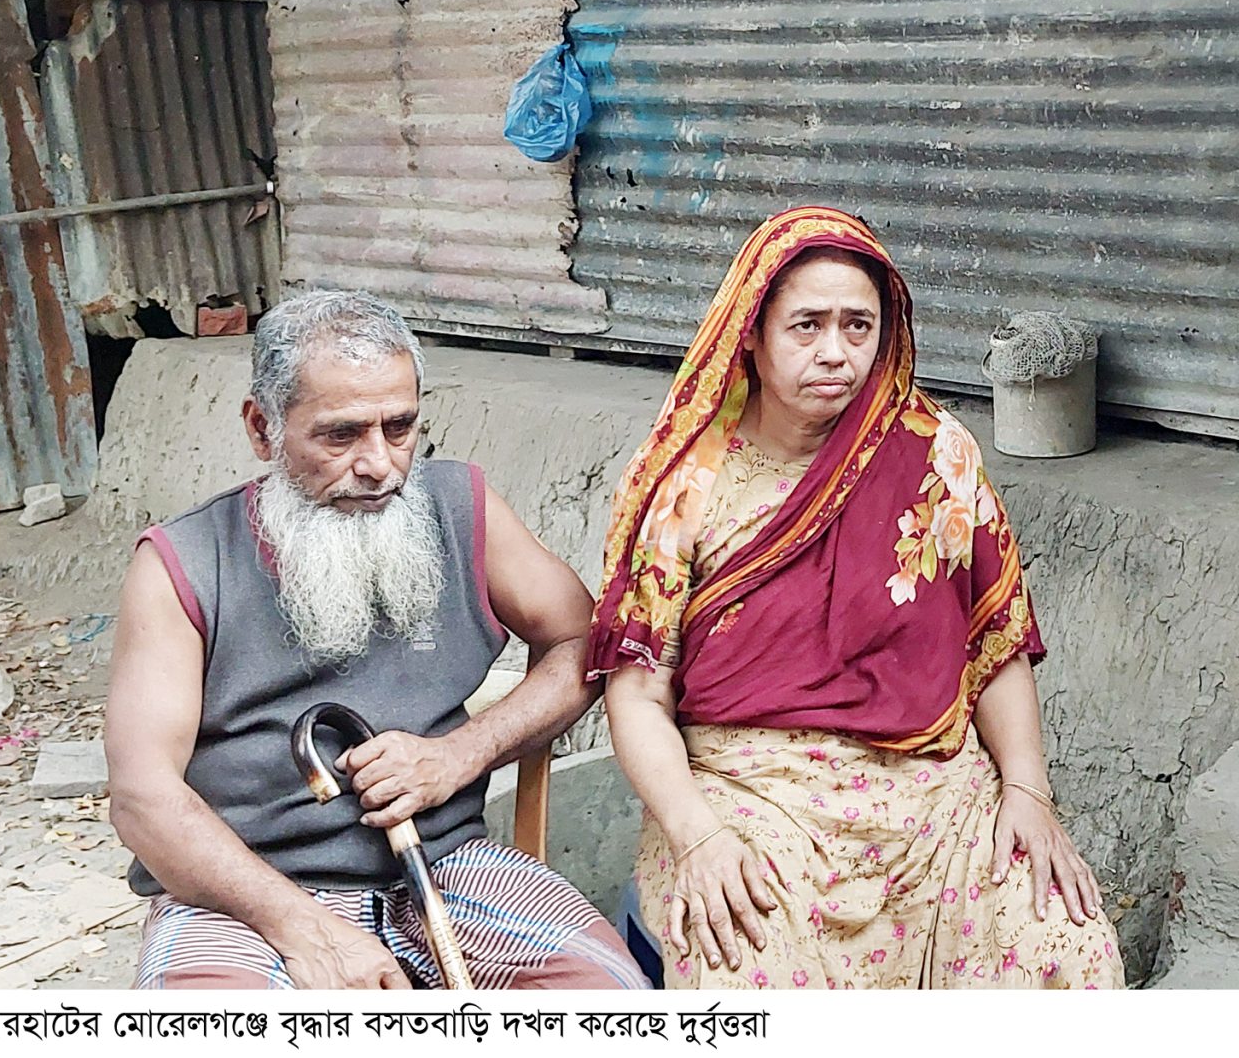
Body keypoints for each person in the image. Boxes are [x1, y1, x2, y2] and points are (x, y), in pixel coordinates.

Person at [594, 206, 1122, 989]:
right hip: (754, 798)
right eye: (806, 326)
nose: (835, 352)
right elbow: (636, 691)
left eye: (858, 325)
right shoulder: (688, 483)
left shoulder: (934, 454)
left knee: (1068, 951)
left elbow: (995, 642)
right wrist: (697, 835)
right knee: (746, 969)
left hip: (939, 801)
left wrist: (1028, 790)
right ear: (754, 332)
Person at [105, 289, 650, 990]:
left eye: (399, 427)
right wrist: (301, 925)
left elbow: (584, 643)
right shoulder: (183, 562)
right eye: (340, 434)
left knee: (612, 998)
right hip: (246, 893)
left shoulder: (461, 506)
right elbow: (142, 795)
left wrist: (462, 753)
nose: (380, 464)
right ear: (262, 428)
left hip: (448, 862)